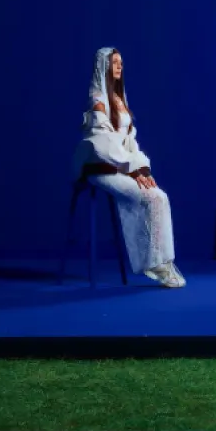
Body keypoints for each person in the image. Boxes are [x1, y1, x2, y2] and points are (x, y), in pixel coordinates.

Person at [71, 47, 185, 288]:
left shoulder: (119, 99)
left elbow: (129, 141)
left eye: (121, 62)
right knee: (150, 198)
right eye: (114, 62)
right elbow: (103, 145)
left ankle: (163, 261)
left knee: (160, 196)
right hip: (101, 169)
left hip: (120, 166)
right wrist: (131, 169)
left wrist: (142, 168)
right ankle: (155, 264)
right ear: (104, 66)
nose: (119, 66)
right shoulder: (97, 101)